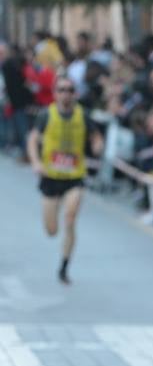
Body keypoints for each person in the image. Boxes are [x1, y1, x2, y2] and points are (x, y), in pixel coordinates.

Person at [27, 75, 102, 284]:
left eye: (69, 89)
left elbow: (96, 136)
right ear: (55, 93)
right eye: (61, 89)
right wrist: (35, 161)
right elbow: (33, 139)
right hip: (51, 177)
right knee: (51, 231)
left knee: (70, 218)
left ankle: (64, 266)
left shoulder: (83, 115)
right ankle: (57, 227)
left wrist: (97, 146)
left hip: (74, 176)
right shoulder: (46, 115)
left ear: (74, 93)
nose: (66, 94)